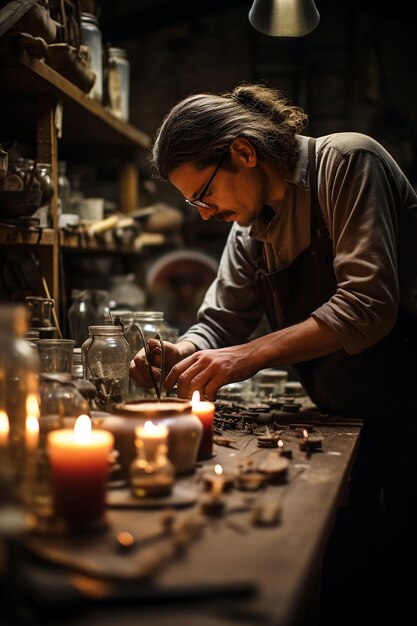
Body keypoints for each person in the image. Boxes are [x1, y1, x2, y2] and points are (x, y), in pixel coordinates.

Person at [130, 82, 417, 623]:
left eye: (204, 194)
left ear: (243, 151)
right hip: (346, 406)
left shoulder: (347, 164)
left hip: (409, 396)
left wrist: (245, 356)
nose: (204, 214)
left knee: (399, 567)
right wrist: (183, 353)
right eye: (194, 202)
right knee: (346, 563)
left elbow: (368, 304)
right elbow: (220, 321)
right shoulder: (250, 226)